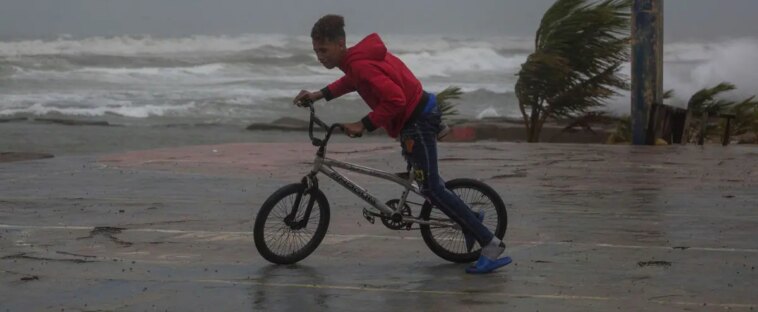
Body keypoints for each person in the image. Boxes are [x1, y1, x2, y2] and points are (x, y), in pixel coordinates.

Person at [293, 14, 511, 274]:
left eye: (324, 50)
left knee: (430, 187)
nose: (320, 56)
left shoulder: (360, 65)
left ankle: (490, 244)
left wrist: (364, 124)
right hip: (418, 112)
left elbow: (394, 99)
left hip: (417, 120)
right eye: (316, 51)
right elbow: (352, 82)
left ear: (340, 43)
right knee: (428, 182)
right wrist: (319, 94)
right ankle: (469, 218)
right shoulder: (356, 61)